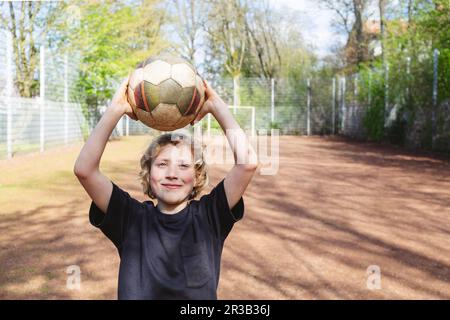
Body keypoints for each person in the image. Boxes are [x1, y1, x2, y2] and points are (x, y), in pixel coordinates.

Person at [73, 76, 258, 299]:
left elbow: (247, 164)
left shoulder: (210, 216)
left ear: (197, 176)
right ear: (148, 173)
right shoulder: (130, 218)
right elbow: (85, 170)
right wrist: (116, 109)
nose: (172, 173)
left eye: (183, 165)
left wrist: (215, 106)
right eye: (162, 164)